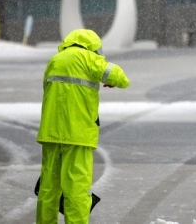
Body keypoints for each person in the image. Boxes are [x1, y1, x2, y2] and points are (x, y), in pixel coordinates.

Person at [36, 29, 130, 224]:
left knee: (48, 188)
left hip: (51, 133)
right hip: (77, 135)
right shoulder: (89, 59)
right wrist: (107, 78)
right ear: (93, 47)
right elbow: (121, 78)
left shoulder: (55, 60)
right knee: (76, 189)